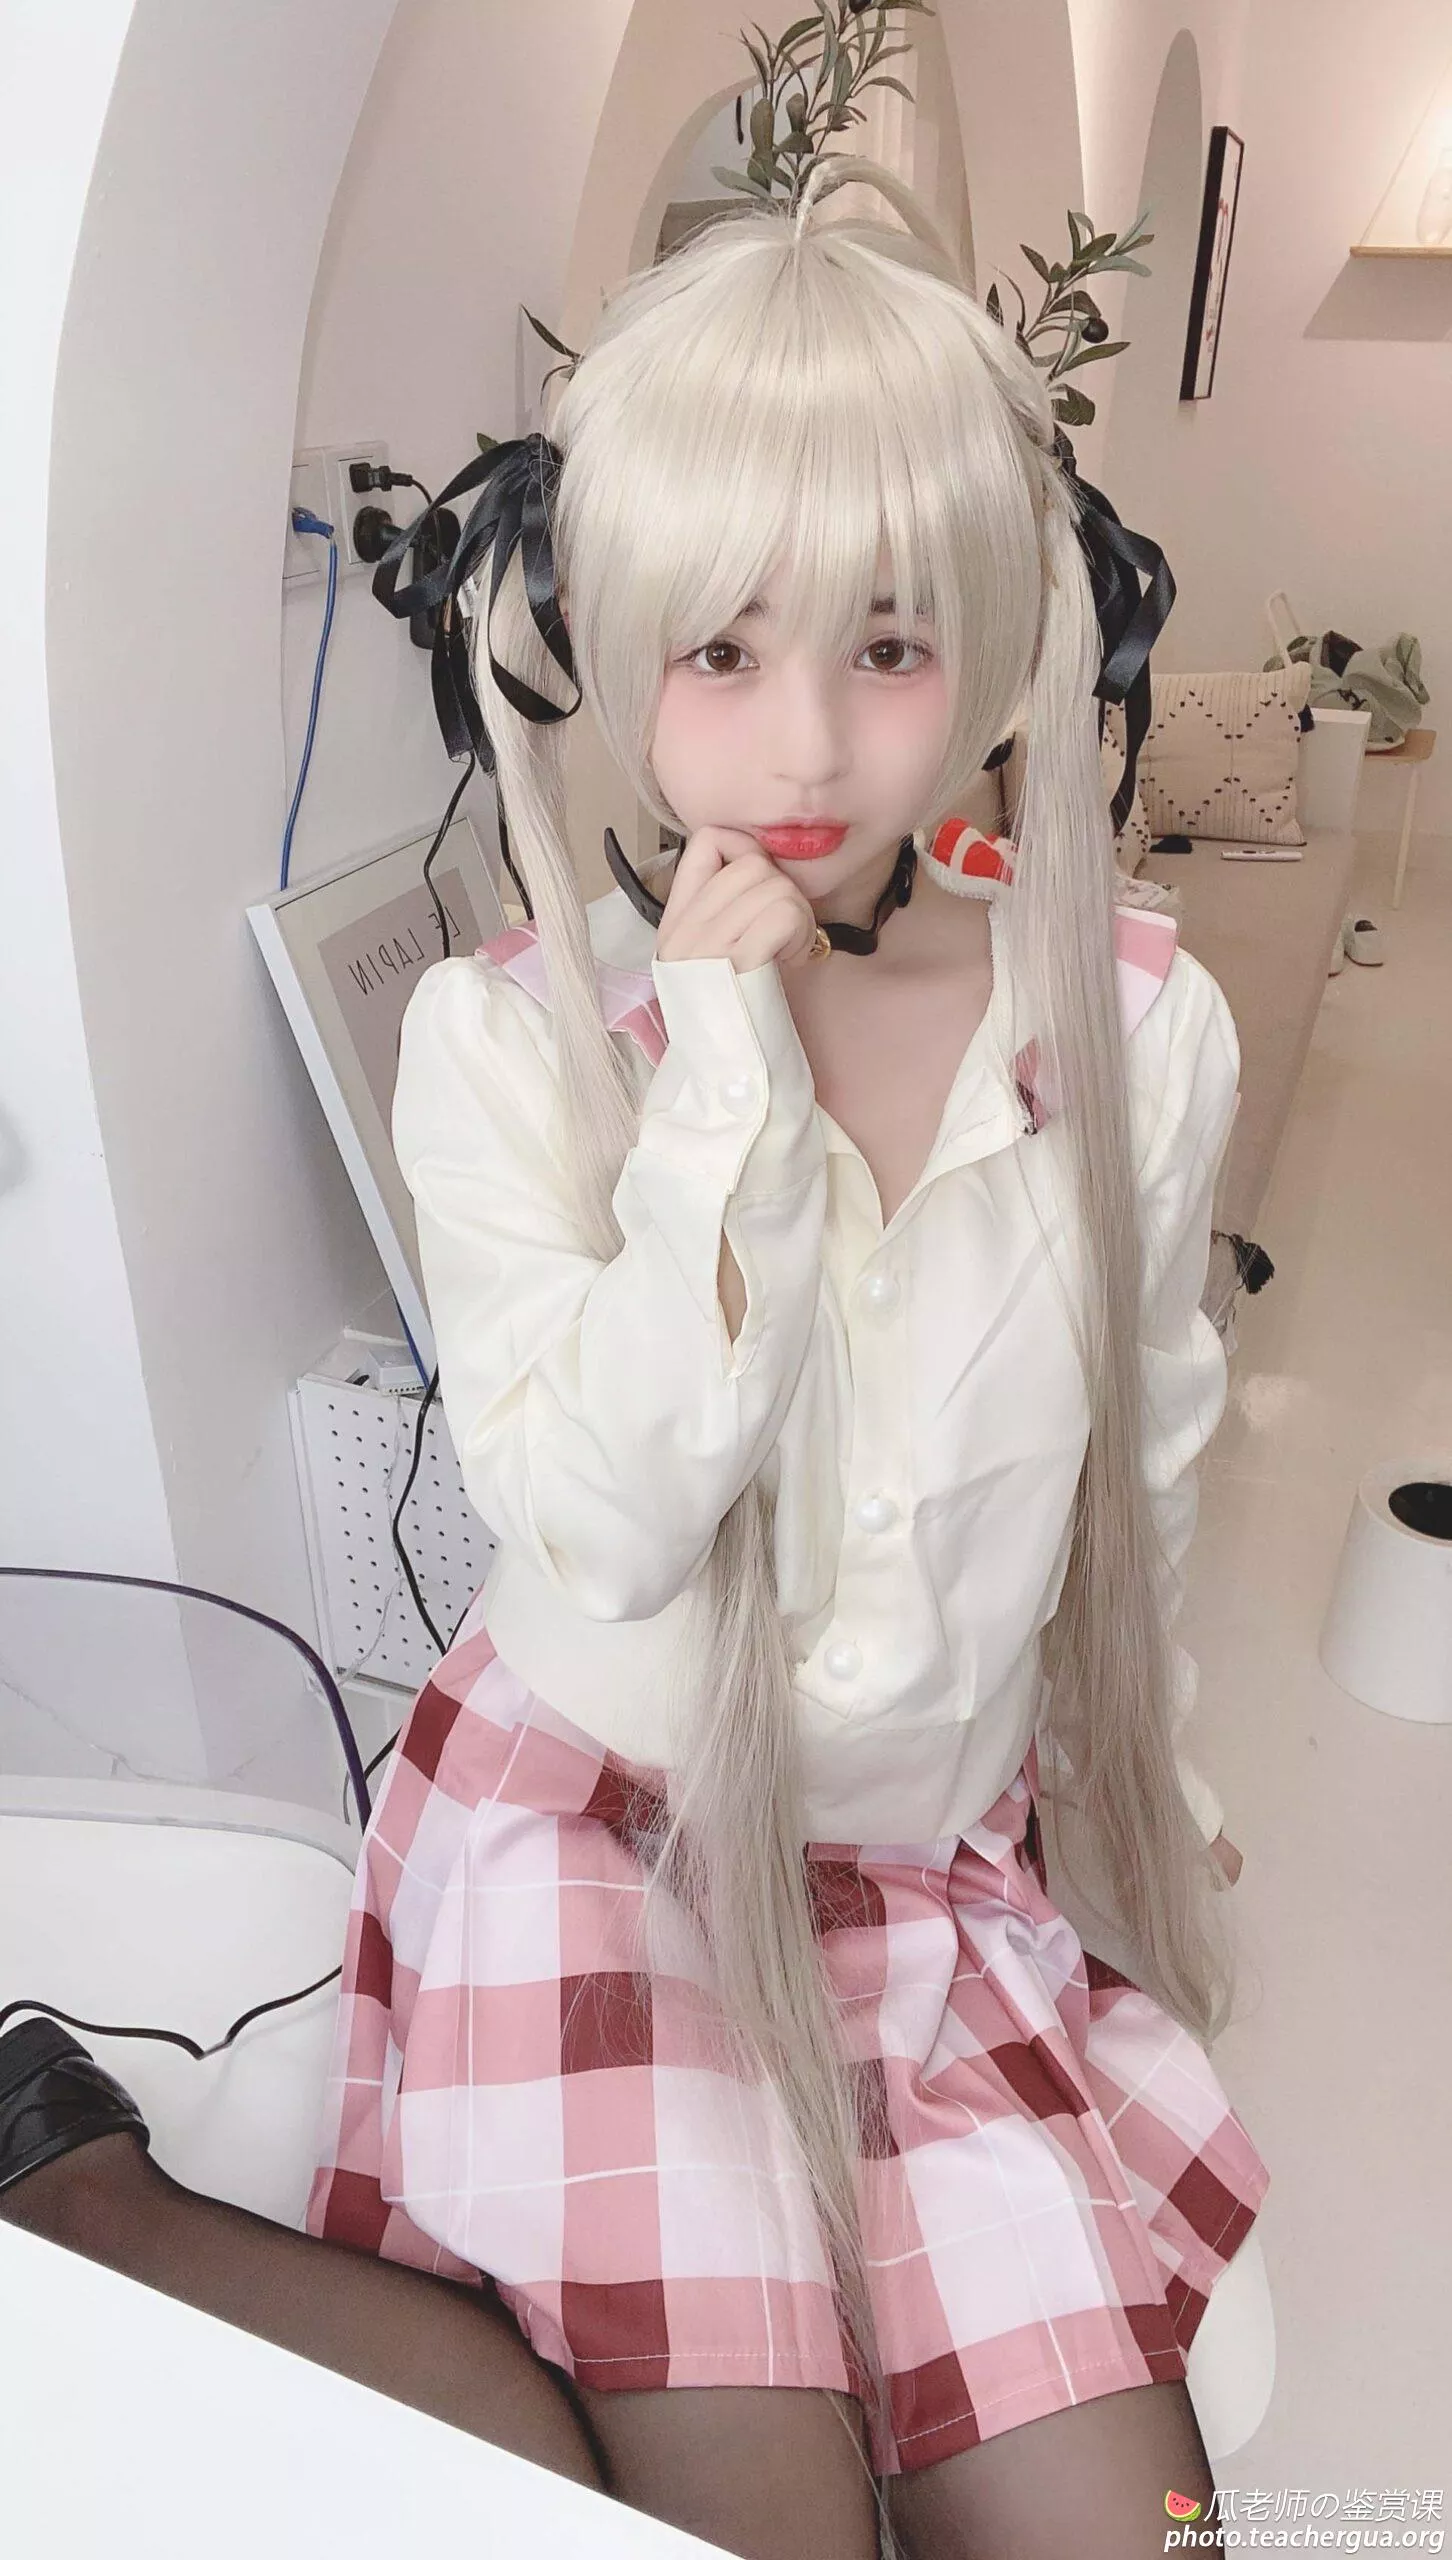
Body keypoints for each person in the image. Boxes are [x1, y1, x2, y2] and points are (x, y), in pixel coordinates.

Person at [0, 161, 1266, 2560]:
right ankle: (93, 2201)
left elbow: (1155, 1442)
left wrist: (1153, 1760)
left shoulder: (1137, 1025)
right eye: (721, 650)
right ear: (606, 643)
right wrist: (723, 1080)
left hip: (924, 1877)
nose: (810, 740)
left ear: (1003, 633)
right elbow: (606, 1512)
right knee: (745, 2529)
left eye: (890, 645)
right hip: (605, 1843)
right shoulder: (511, 1048)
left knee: (1148, 2538)